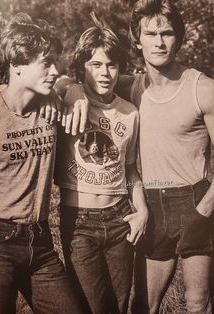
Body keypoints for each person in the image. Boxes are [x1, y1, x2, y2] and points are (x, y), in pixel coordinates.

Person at [58, 1, 214, 313]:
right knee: (143, 305)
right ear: (137, 38)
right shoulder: (133, 86)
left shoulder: (204, 88)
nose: (159, 41)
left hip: (194, 201)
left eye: (167, 33)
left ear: (178, 38)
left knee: (198, 303)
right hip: (152, 203)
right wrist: (73, 90)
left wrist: (206, 206)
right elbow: (75, 80)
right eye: (151, 33)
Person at [0, 13, 83, 314]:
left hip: (40, 241)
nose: (54, 70)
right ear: (18, 66)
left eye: (55, 63)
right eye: (45, 63)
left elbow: (71, 84)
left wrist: (68, 91)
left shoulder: (50, 104)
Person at [54, 15, 148, 314]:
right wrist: (72, 88)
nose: (105, 72)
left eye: (111, 64)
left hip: (120, 217)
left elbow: (130, 168)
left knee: (118, 305)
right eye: (95, 64)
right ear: (83, 67)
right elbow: (49, 85)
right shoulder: (69, 103)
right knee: (93, 305)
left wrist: (141, 209)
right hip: (80, 221)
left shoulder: (130, 113)